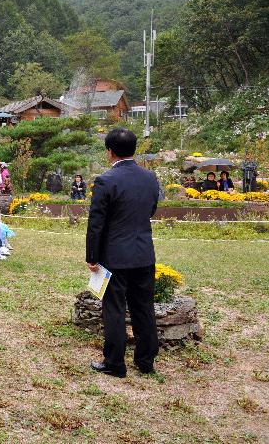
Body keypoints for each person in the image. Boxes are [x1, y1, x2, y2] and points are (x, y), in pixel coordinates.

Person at [86, 128, 160, 378]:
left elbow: (96, 223)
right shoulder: (150, 178)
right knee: (144, 308)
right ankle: (146, 360)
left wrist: (92, 257)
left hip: (115, 256)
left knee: (114, 309)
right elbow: (151, 210)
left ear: (109, 151)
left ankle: (115, 363)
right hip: (143, 253)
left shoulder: (106, 180)